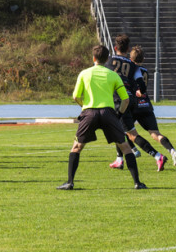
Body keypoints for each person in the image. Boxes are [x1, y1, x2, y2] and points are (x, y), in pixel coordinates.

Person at [58, 45, 145, 190]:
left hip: (89, 113)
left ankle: (69, 182)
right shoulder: (113, 75)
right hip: (108, 113)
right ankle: (137, 183)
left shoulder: (84, 73)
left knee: (76, 147)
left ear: (93, 58)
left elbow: (75, 96)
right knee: (125, 147)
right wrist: (119, 115)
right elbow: (126, 100)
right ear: (107, 59)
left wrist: (84, 107)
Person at [107, 34, 165, 171]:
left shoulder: (109, 61)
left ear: (115, 48)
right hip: (131, 100)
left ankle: (157, 156)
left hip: (117, 99)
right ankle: (119, 159)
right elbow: (142, 86)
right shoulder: (133, 65)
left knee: (131, 134)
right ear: (128, 49)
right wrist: (137, 91)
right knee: (118, 129)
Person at [129, 45, 176, 166]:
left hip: (133, 105)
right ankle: (172, 151)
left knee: (125, 131)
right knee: (155, 134)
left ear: (130, 59)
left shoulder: (130, 70)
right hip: (145, 104)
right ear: (143, 59)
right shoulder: (145, 71)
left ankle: (132, 152)